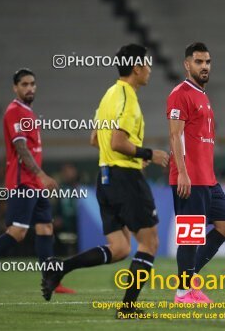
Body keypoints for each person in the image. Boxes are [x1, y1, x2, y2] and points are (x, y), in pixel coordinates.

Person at [41, 44, 169, 318]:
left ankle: (60, 268)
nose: (149, 70)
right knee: (150, 244)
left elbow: (94, 140)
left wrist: (131, 155)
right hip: (125, 179)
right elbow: (118, 141)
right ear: (136, 68)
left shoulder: (108, 95)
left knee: (121, 248)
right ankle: (128, 307)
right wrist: (149, 154)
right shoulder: (128, 98)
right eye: (147, 65)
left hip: (106, 177)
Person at [0, 68, 74, 295]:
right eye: (24, 84)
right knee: (18, 232)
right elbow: (21, 148)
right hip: (23, 182)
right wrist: (41, 174)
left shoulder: (28, 112)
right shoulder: (14, 111)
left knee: (45, 227)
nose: (29, 88)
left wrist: (39, 178)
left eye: (32, 83)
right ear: (15, 88)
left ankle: (50, 278)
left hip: (34, 183)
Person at [167, 42, 225, 303]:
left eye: (207, 62)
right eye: (199, 62)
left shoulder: (202, 96)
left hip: (208, 178)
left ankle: (188, 278)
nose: (204, 66)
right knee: (191, 236)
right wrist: (183, 173)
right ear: (187, 64)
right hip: (190, 178)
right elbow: (175, 135)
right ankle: (183, 293)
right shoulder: (180, 94)